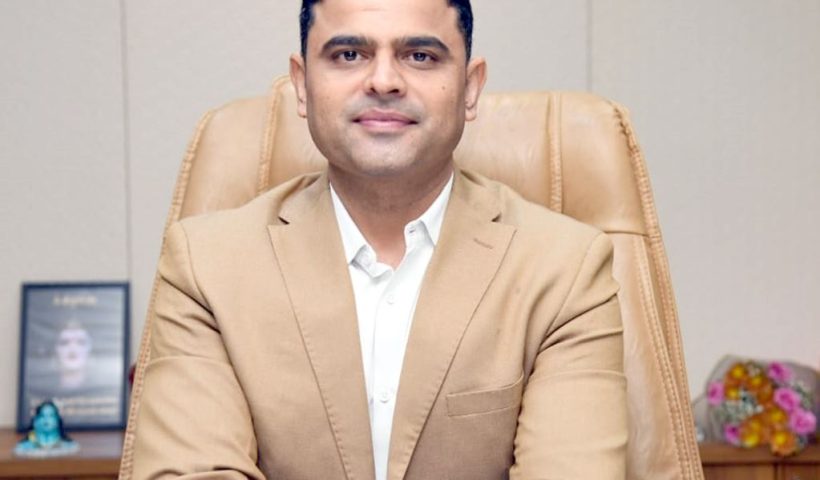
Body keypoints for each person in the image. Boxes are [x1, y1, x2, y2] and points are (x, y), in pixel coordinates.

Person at [127, 0, 627, 478]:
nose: (384, 81)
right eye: (349, 54)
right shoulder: (205, 267)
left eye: (420, 56)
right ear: (301, 84)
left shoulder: (565, 269)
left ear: (470, 88)